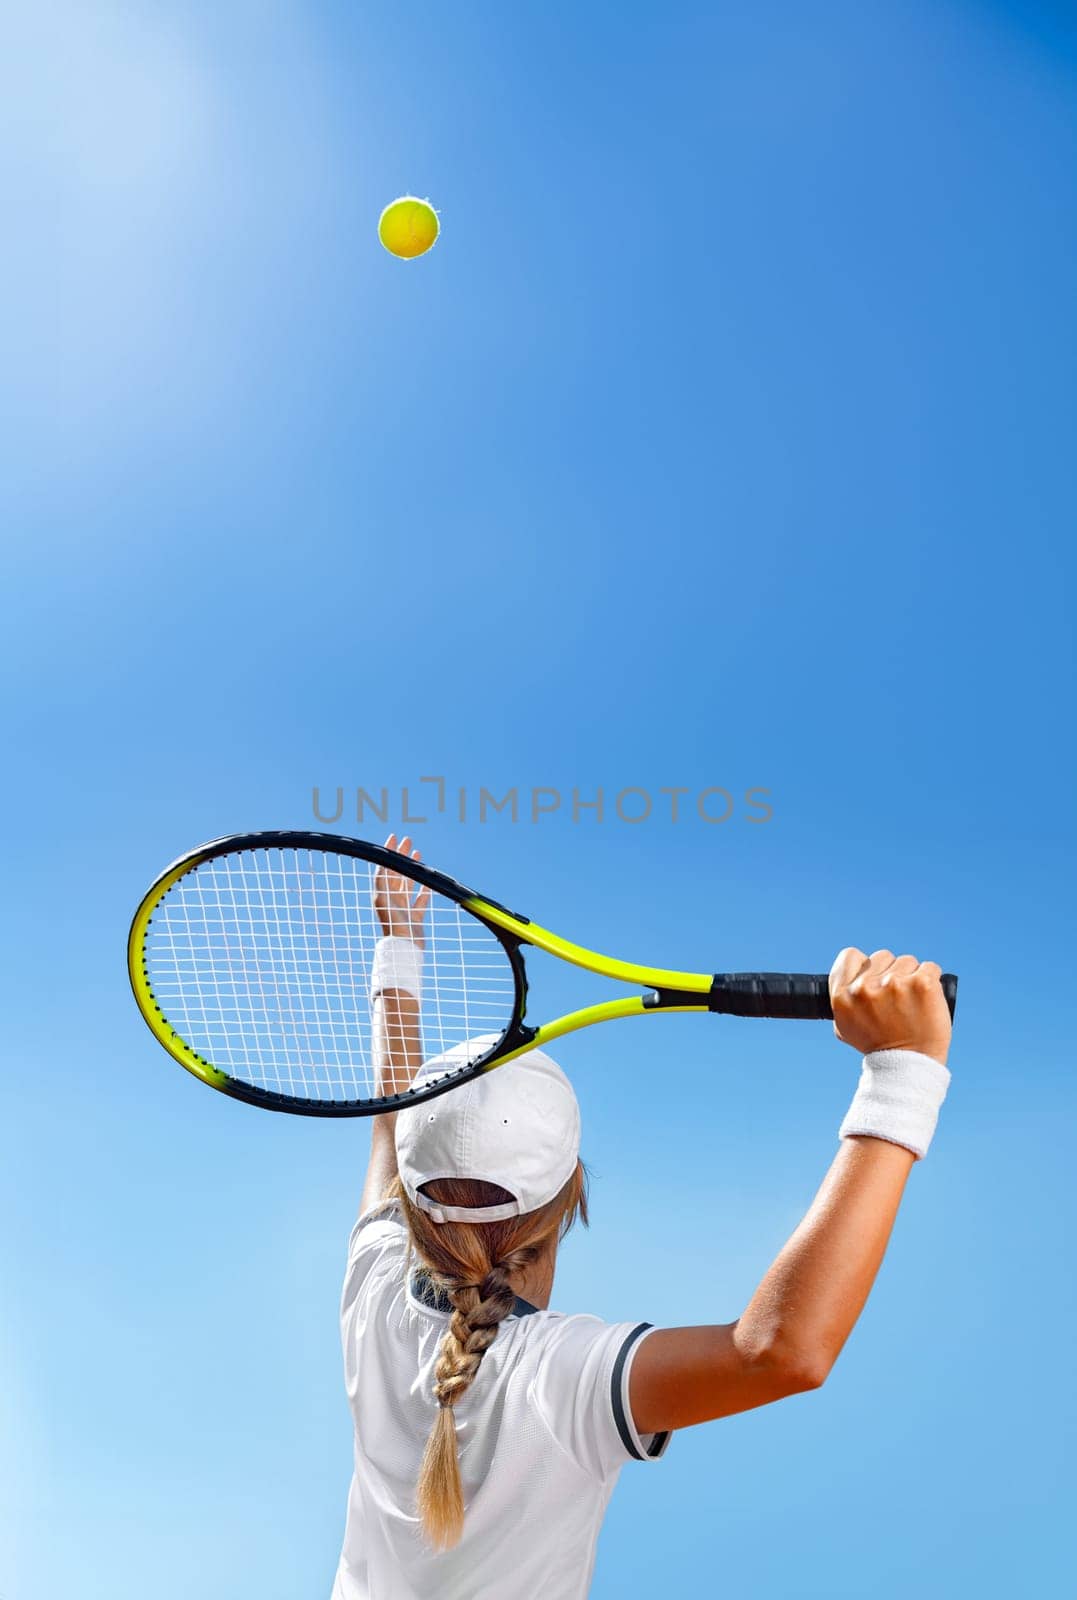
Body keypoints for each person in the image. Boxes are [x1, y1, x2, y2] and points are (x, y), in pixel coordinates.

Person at [331, 837, 953, 1600]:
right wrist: (902, 1070)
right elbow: (781, 1352)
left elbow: (389, 1128)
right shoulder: (564, 1378)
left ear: (413, 1199)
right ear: (572, 1196)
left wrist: (397, 948)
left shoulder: (374, 1296)